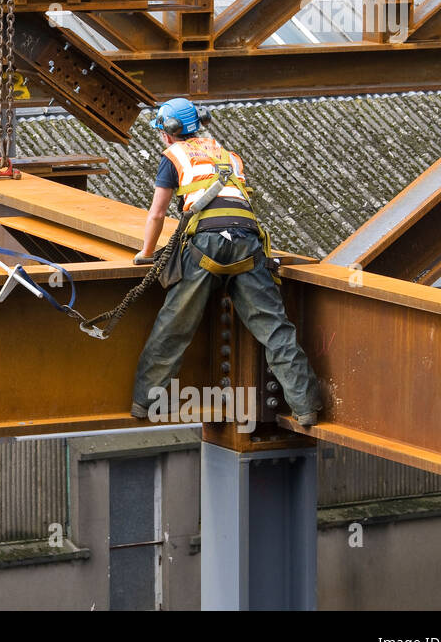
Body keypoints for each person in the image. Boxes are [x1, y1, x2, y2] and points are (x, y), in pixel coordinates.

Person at [130, 98, 324, 426]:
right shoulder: (229, 156)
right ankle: (306, 407)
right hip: (248, 240)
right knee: (274, 327)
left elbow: (158, 213)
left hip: (204, 243)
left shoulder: (173, 156)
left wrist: (146, 254)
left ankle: (144, 402)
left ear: (170, 132)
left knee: (174, 325)